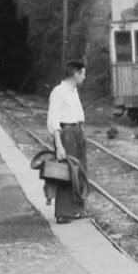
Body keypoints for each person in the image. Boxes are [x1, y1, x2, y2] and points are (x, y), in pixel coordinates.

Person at [46, 60, 89, 224]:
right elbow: (53, 119)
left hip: (77, 131)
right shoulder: (59, 92)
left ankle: (76, 209)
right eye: (83, 74)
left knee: (80, 170)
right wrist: (59, 145)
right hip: (67, 133)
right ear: (76, 74)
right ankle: (63, 212)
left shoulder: (73, 91)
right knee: (65, 171)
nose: (84, 77)